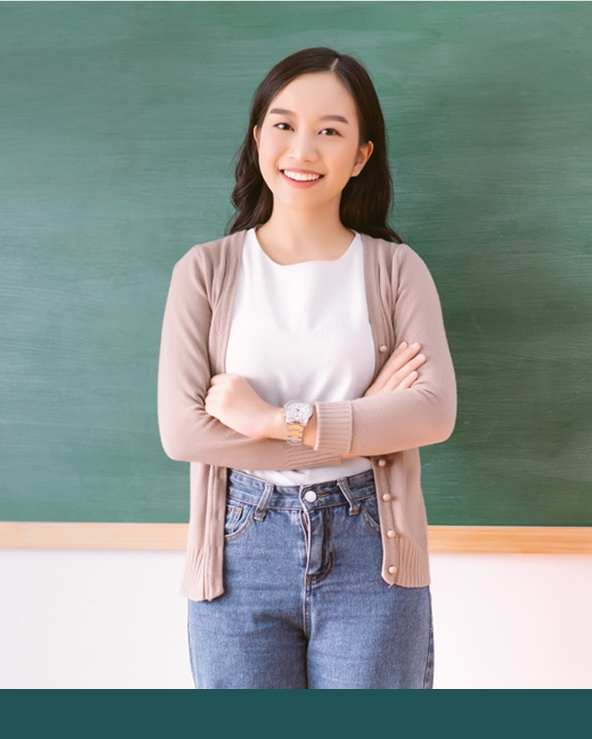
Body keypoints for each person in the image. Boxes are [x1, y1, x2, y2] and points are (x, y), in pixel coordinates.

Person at [157, 47, 456, 689]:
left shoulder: (396, 270)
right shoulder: (204, 272)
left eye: (330, 131)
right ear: (258, 136)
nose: (303, 149)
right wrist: (367, 416)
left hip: (372, 549)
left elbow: (432, 412)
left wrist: (274, 421)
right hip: (240, 550)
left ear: (361, 156)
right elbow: (184, 434)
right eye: (285, 124)